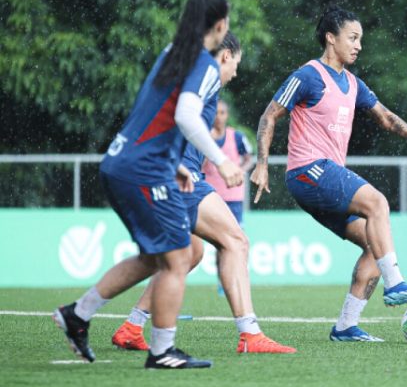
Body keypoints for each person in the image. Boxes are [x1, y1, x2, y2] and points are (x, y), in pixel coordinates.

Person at [53, 0, 243, 369]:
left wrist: (175, 164)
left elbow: (151, 110)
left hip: (122, 162)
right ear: (220, 25)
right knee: (180, 257)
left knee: (158, 255)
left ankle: (78, 314)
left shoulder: (172, 52)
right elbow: (186, 115)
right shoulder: (204, 65)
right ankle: (162, 351)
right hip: (142, 170)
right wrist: (221, 161)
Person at [251, 5, 407, 342]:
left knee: (375, 245)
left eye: (361, 39)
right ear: (331, 38)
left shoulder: (354, 84)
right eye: (352, 38)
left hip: (324, 175)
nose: (358, 45)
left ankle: (345, 326)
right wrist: (261, 163)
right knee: (377, 202)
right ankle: (395, 283)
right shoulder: (308, 75)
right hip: (307, 171)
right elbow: (270, 116)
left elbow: (385, 118)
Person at [109, 32, 295, 354]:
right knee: (236, 241)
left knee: (187, 255)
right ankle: (249, 334)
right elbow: (181, 120)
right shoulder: (205, 78)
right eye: (236, 63)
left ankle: (129, 325)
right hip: (184, 178)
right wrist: (219, 163)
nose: (236, 72)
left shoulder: (189, 75)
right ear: (226, 56)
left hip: (173, 173)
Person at [202, 100, 254, 225]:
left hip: (233, 195)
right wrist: (208, 143)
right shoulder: (202, 138)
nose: (218, 117)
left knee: (237, 234)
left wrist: (239, 171)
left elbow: (249, 159)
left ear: (227, 115)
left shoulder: (237, 136)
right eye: (215, 113)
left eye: (222, 113)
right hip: (210, 195)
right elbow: (199, 165)